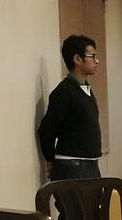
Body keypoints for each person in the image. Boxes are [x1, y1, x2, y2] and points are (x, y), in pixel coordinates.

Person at [37, 35, 102, 181]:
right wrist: (51, 160)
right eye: (92, 56)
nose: (96, 61)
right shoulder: (64, 92)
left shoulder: (85, 89)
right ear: (77, 59)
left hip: (90, 167)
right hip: (72, 168)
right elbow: (46, 130)